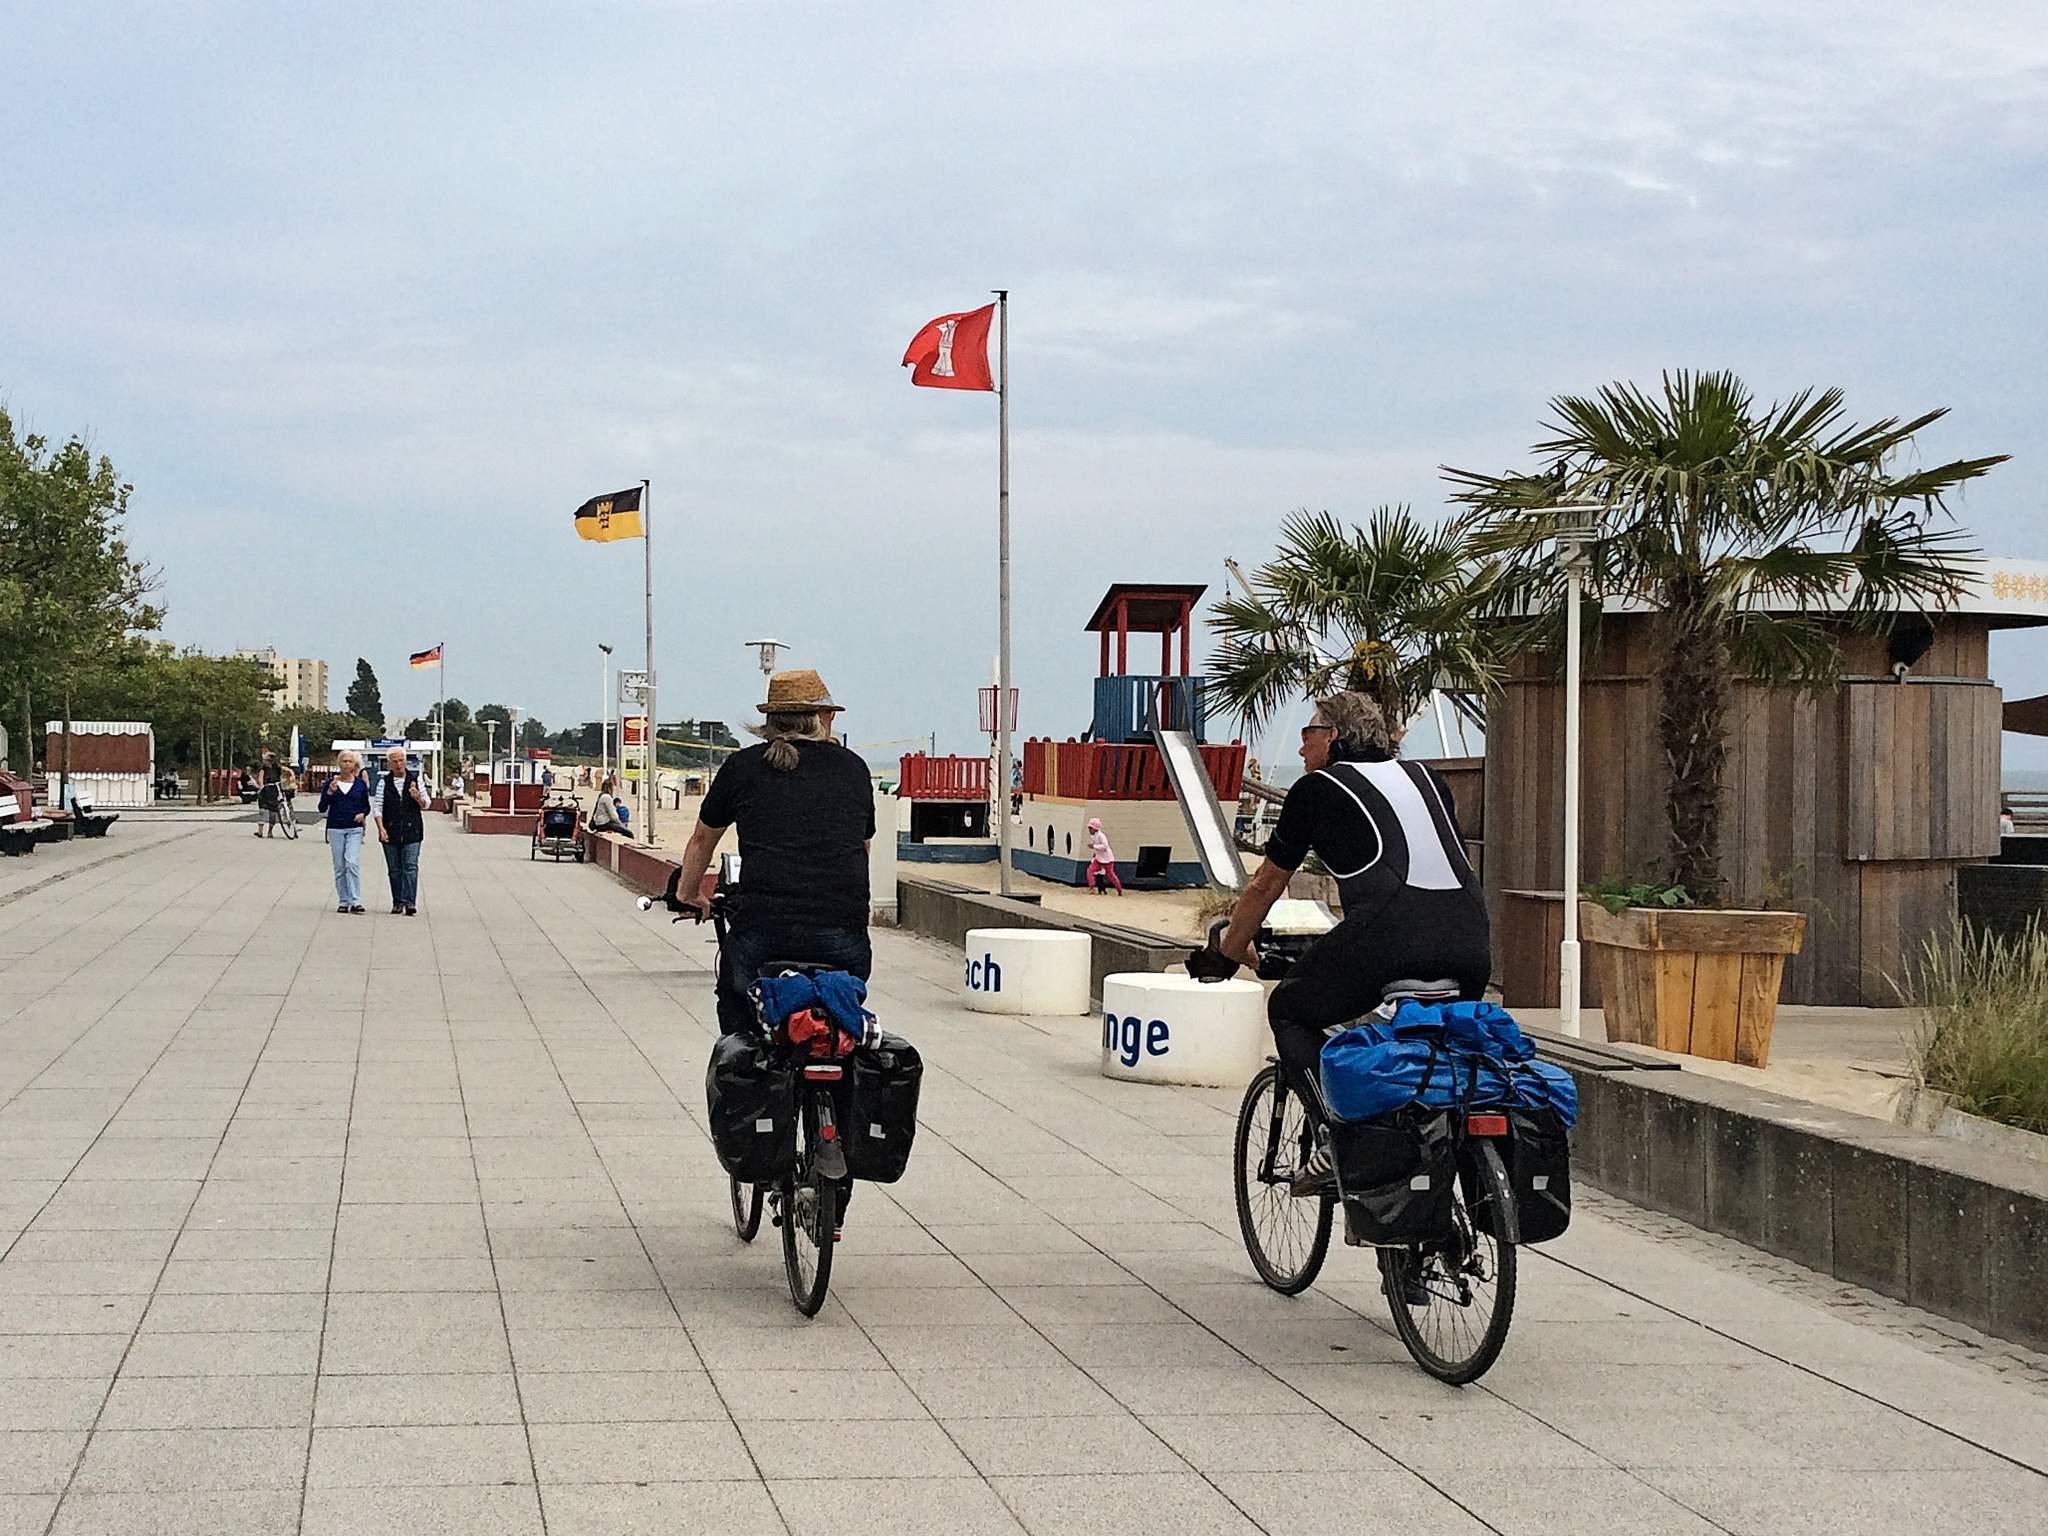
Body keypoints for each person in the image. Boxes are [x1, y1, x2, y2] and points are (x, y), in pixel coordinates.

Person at [1189, 692, 1490, 1192]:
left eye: (1307, 733)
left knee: (1290, 1008)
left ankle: (1334, 1138)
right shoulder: (1428, 778)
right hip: (1471, 941)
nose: (1302, 747)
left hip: (1390, 938)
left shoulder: (1316, 788)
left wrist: (1227, 953)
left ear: (1332, 737)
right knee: (1436, 1046)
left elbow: (1265, 884)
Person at [666, 669, 874, 1036]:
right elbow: (862, 847)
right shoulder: (853, 768)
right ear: (822, 718)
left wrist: (688, 892)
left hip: (762, 930)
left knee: (737, 1007)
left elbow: (701, 840)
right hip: (842, 934)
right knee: (839, 1019)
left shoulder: (743, 766)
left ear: (770, 721)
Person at [373, 747, 429, 916]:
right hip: (390, 829)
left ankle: (410, 902)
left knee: (410, 866)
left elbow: (426, 804)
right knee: (394, 869)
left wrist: (417, 797)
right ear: (389, 764)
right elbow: (378, 807)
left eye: (401, 760)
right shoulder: (384, 782)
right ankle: (397, 901)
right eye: (394, 761)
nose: (398, 764)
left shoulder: (415, 780)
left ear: (406, 761)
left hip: (412, 830)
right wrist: (381, 828)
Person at [318, 752, 372, 913]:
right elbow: (322, 807)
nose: (347, 764)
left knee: (351, 862)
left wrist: (363, 814)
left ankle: (355, 900)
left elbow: (366, 806)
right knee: (340, 866)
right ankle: (343, 900)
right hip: (336, 827)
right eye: (344, 761)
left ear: (354, 765)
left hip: (354, 828)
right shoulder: (330, 783)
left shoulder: (360, 784)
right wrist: (330, 792)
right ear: (339, 763)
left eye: (350, 761)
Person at [1085, 817, 1123, 895]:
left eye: (1091, 828)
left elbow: (1105, 846)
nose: (1089, 830)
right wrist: (1095, 852)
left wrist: (1094, 846)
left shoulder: (1101, 835)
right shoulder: (1093, 836)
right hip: (1098, 858)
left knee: (1111, 875)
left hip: (1107, 859)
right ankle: (1091, 887)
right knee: (1090, 870)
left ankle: (1119, 889)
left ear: (1095, 829)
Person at [253, 751, 284, 838]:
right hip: (266, 790)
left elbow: (281, 777)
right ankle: (260, 831)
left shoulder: (277, 768)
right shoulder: (264, 768)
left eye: (265, 759)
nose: (264, 761)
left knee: (272, 812)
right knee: (263, 810)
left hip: (274, 790)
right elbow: (260, 778)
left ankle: (269, 831)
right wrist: (261, 787)